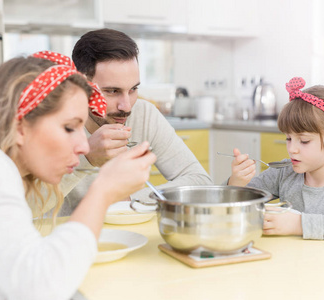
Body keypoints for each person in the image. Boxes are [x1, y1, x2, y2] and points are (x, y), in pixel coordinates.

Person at [0, 54, 156, 300]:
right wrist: (103, 190)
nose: (84, 147)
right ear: (19, 126)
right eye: (69, 128)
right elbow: (42, 287)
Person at [55, 28, 212, 215]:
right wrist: (86, 158)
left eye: (133, 89)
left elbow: (201, 182)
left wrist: (129, 201)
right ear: (80, 86)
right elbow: (31, 204)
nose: (126, 106)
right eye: (112, 91)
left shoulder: (144, 115)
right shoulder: (53, 123)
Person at [228, 77, 324, 244]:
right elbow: (236, 205)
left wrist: (299, 224)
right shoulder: (283, 173)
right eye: (288, 138)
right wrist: (236, 183)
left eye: (304, 141)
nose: (292, 149)